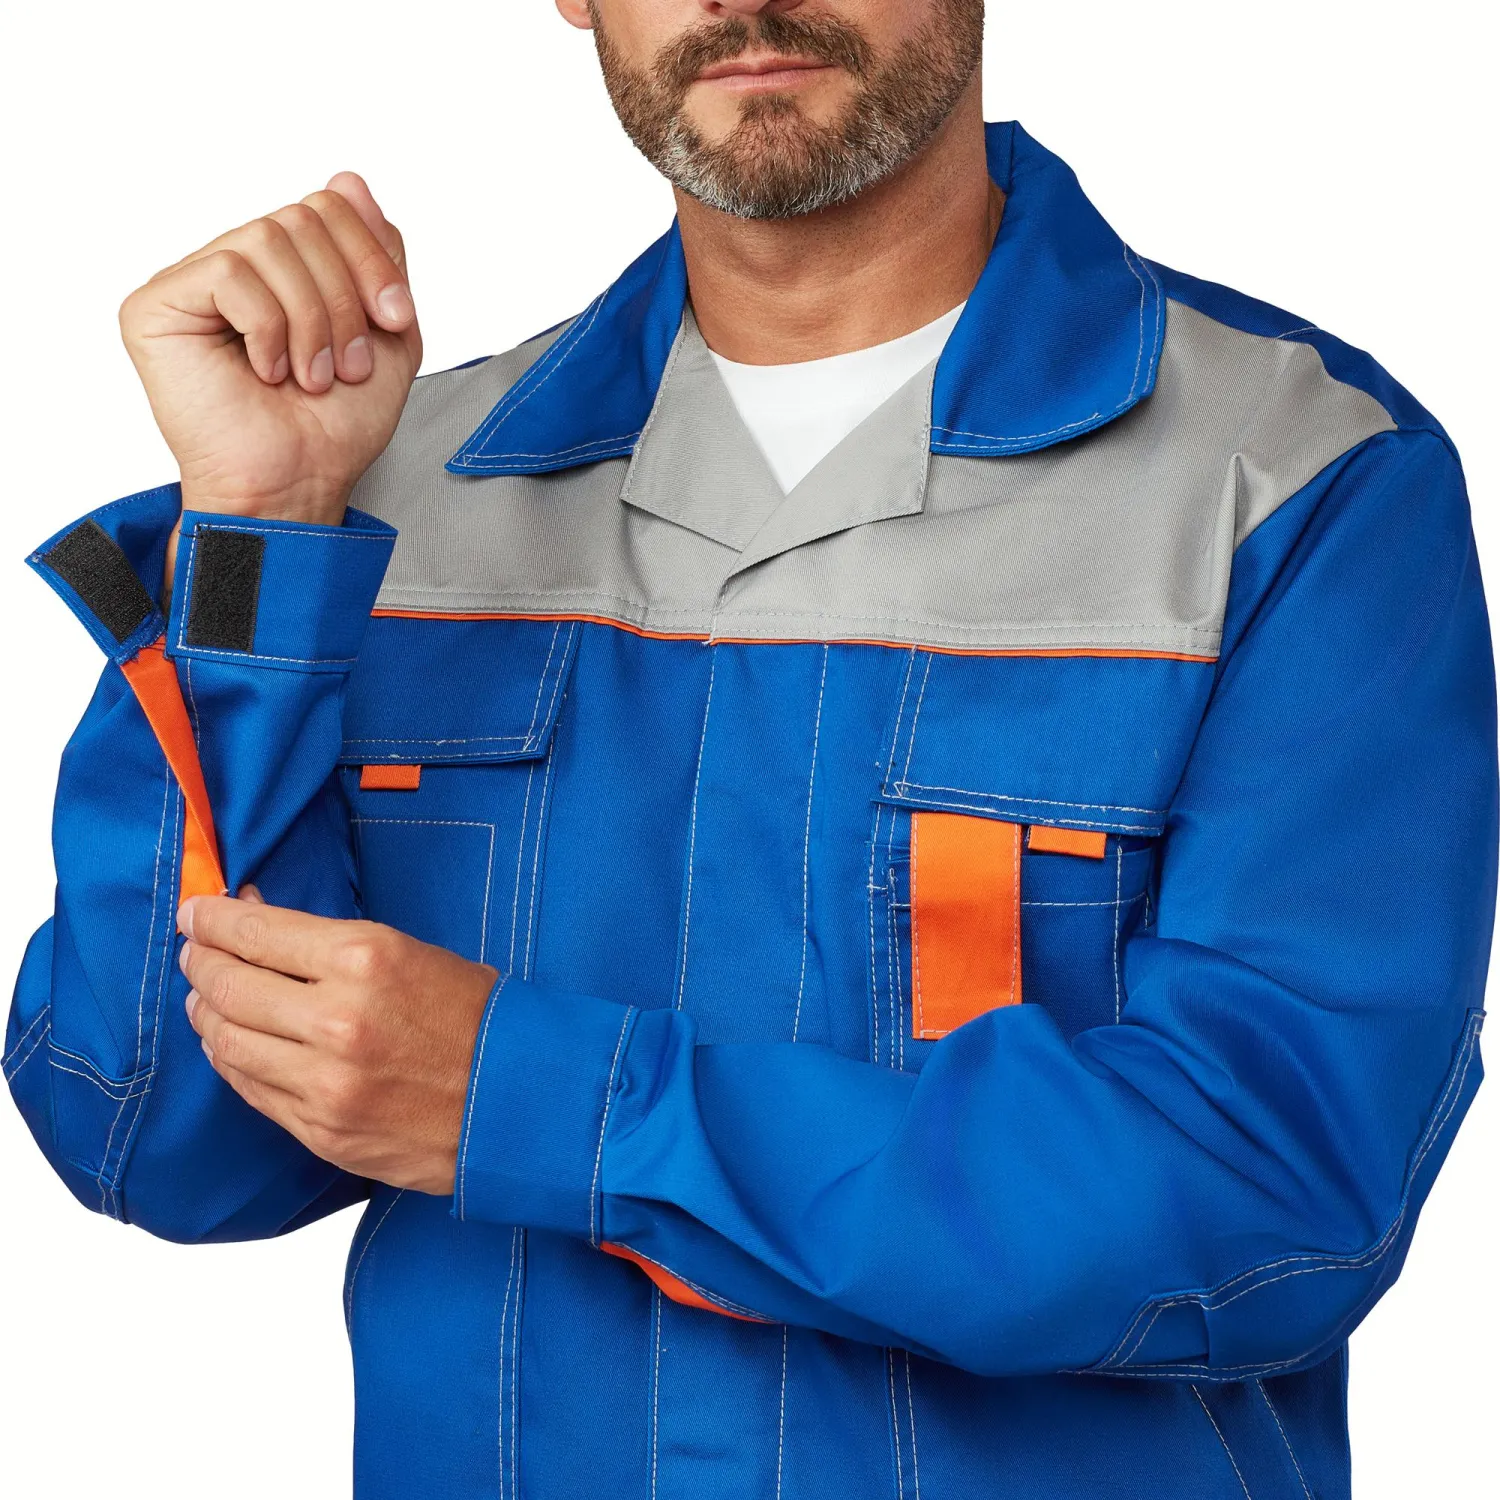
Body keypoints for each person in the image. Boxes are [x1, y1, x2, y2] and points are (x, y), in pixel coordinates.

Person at [6, 0, 1494, 1495]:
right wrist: (258, 533)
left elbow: (1268, 1184)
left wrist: (535, 1102)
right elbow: (153, 1139)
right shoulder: (388, 500)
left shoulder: (1295, 483)